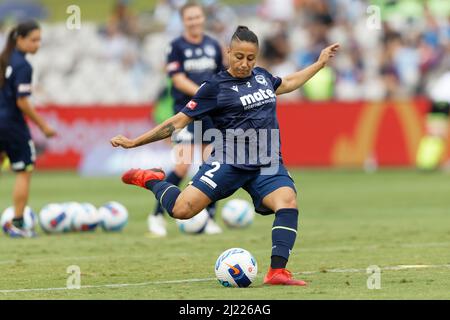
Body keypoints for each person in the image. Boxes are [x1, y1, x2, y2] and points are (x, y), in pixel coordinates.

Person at [111, 26, 339, 285]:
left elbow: (288, 83)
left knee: (287, 202)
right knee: (181, 210)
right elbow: (177, 122)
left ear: (257, 56)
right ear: (228, 53)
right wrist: (134, 142)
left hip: (266, 163)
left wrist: (319, 64)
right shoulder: (214, 87)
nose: (244, 63)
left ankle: (277, 271)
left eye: (250, 58)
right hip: (229, 162)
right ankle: (151, 179)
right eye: (238, 56)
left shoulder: (263, 78)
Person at [148, 1, 224, 237]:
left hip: (209, 113)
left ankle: (209, 217)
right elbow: (178, 80)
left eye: (197, 17)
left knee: (211, 165)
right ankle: (157, 215)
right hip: (186, 112)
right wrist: (205, 94)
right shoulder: (176, 47)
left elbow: (220, 76)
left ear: (203, 18)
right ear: (183, 21)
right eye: (189, 18)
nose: (194, 21)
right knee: (181, 165)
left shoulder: (213, 45)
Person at [0, 20, 56, 237]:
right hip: (12, 125)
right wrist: (43, 126)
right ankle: (18, 223)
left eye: (39, 40)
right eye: (33, 40)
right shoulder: (23, 65)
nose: (37, 44)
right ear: (20, 39)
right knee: (24, 170)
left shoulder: (4, 60)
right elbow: (22, 101)